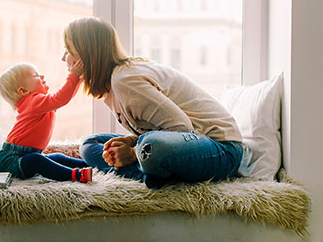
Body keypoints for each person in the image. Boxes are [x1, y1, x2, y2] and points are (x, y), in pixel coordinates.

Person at [62, 17, 244, 189]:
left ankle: (148, 172)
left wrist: (133, 152)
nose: (64, 59)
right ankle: (151, 175)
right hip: (183, 143)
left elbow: (182, 128)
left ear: (88, 55)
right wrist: (131, 142)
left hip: (221, 149)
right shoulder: (112, 84)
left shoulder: (125, 81)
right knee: (90, 145)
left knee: (152, 148)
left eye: (69, 52)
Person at [0, 61, 93, 183]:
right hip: (12, 159)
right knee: (37, 160)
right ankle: (76, 175)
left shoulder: (39, 104)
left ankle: (89, 165)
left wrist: (79, 79)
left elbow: (65, 98)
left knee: (56, 157)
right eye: (35, 75)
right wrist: (73, 76)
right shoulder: (32, 102)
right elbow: (61, 98)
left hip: (27, 155)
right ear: (23, 91)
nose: (42, 76)